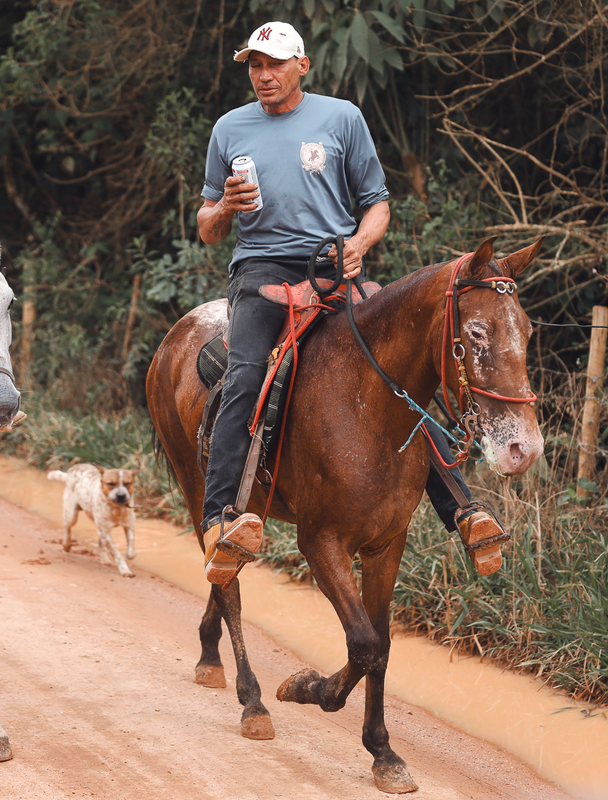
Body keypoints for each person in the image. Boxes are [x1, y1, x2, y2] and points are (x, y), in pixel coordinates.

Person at [195, 21, 508, 585]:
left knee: (399, 370)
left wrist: (359, 245)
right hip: (261, 271)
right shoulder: (229, 128)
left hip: (334, 265)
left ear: (302, 65)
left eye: (274, 64)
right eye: (254, 66)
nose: (263, 75)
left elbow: (377, 204)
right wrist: (224, 210)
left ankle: (465, 510)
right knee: (244, 375)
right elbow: (207, 227)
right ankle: (219, 519)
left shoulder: (342, 118)